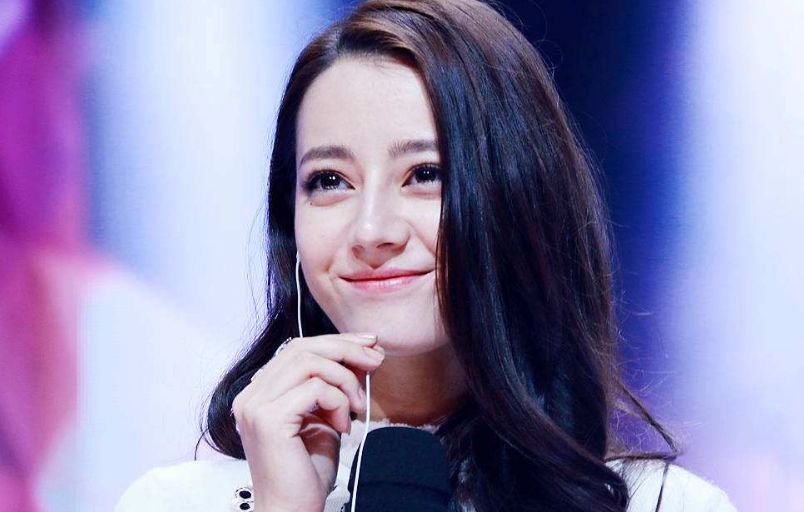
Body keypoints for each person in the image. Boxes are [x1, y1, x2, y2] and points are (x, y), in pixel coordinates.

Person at [115, 0, 737, 510]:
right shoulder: (172, 502)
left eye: (425, 174)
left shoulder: (662, 505)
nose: (371, 230)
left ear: (519, 195)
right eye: (330, 180)